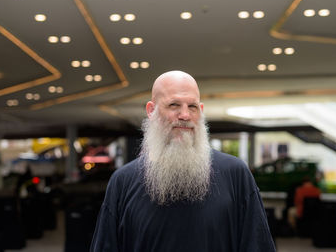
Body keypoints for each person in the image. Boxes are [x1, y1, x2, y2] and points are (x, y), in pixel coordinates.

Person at [90, 70, 276, 252]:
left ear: (201, 111)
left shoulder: (235, 173)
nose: (185, 115)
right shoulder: (123, 181)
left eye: (192, 107)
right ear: (151, 110)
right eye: (174, 105)